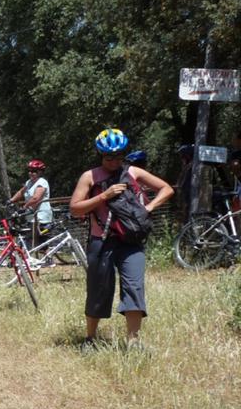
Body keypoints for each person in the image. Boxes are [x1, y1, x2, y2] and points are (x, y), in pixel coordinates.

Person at [69, 128, 173, 350]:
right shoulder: (90, 177)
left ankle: (133, 342)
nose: (114, 161)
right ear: (100, 155)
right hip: (102, 241)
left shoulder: (133, 172)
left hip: (131, 241)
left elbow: (166, 189)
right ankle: (90, 338)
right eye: (109, 157)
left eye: (118, 156)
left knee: (134, 287)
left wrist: (149, 207)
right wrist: (104, 196)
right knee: (99, 289)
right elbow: (75, 209)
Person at [8, 159, 53, 246]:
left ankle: (47, 259)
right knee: (32, 242)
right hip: (31, 217)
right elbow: (21, 192)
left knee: (42, 243)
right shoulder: (29, 182)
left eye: (34, 171)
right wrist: (11, 200)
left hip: (41, 217)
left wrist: (25, 206)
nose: (30, 173)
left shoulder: (42, 182)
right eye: (29, 171)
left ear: (40, 172)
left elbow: (36, 198)